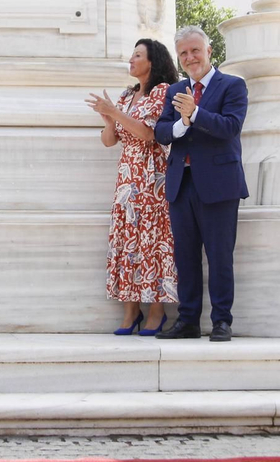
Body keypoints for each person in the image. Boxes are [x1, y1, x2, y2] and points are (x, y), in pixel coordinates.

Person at [153, 26, 248, 342]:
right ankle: (188, 321)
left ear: (209, 51)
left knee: (220, 256)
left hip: (220, 184)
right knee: (186, 256)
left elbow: (230, 127)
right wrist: (182, 123)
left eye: (195, 50)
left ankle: (221, 321)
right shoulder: (174, 91)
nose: (190, 57)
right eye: (183, 53)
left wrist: (196, 113)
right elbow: (162, 132)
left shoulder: (232, 86)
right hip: (181, 183)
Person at [87, 39, 179, 335]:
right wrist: (109, 118)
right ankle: (130, 310)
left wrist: (114, 114)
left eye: (137, 55)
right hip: (127, 177)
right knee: (127, 242)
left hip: (153, 178)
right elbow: (109, 141)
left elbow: (148, 134)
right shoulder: (126, 96)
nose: (131, 59)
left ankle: (156, 311)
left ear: (152, 61)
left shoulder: (162, 92)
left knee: (152, 241)